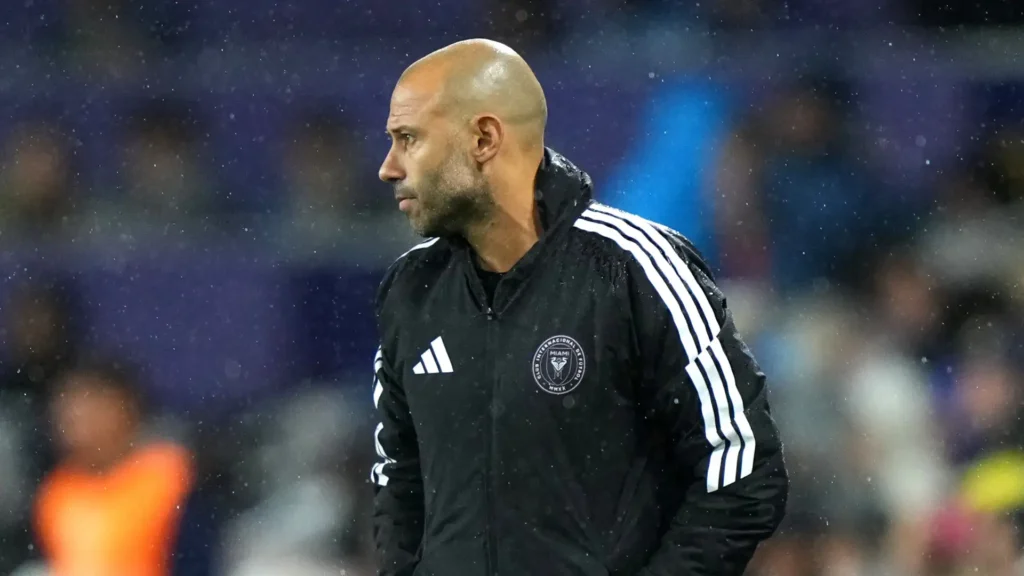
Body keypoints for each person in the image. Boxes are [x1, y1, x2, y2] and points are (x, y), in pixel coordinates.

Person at [371, 39, 788, 576]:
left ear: (484, 139)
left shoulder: (636, 269)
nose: (388, 168)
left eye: (408, 139)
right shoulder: (411, 288)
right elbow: (397, 478)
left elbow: (743, 468)